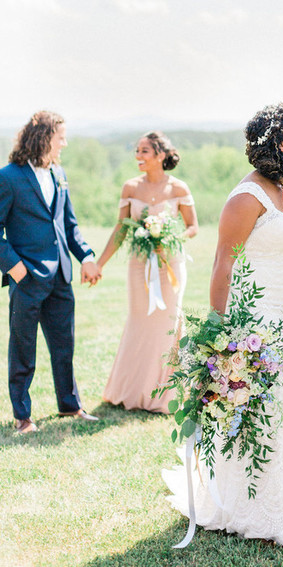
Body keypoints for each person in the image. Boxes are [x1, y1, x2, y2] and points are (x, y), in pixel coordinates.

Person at [163, 103, 283, 545]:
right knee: (260, 404)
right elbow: (222, 264)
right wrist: (218, 330)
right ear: (280, 142)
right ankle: (248, 504)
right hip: (252, 317)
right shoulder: (246, 197)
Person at [0, 110, 101, 434]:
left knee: (64, 346)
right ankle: (22, 416)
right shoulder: (9, 176)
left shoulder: (59, 173)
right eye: (61, 138)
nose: (65, 144)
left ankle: (70, 406)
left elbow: (68, 225)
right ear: (44, 137)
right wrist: (15, 269)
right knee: (22, 349)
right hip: (26, 277)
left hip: (61, 277)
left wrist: (86, 256)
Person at [96, 132, 198, 413]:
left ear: (161, 155)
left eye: (144, 151)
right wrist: (99, 264)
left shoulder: (178, 188)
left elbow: (192, 227)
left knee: (168, 323)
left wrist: (169, 235)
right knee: (139, 322)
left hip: (170, 264)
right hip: (139, 265)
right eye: (137, 151)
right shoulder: (129, 187)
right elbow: (120, 230)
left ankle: (167, 395)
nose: (138, 156)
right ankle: (132, 391)